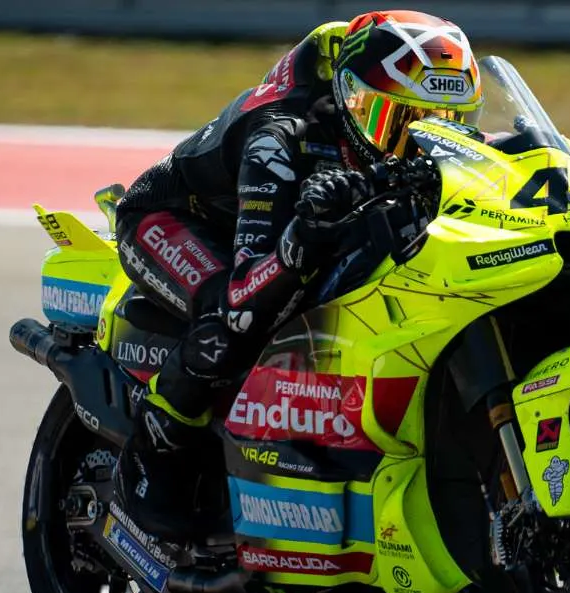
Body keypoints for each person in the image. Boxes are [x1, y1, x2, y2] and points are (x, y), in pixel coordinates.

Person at [110, 10, 484, 558]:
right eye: (401, 122)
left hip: (274, 230)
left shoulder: (407, 153)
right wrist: (302, 238)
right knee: (230, 326)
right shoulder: (282, 140)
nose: (419, 145)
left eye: (447, 123)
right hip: (174, 222)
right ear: (353, 100)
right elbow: (246, 296)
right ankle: (153, 454)